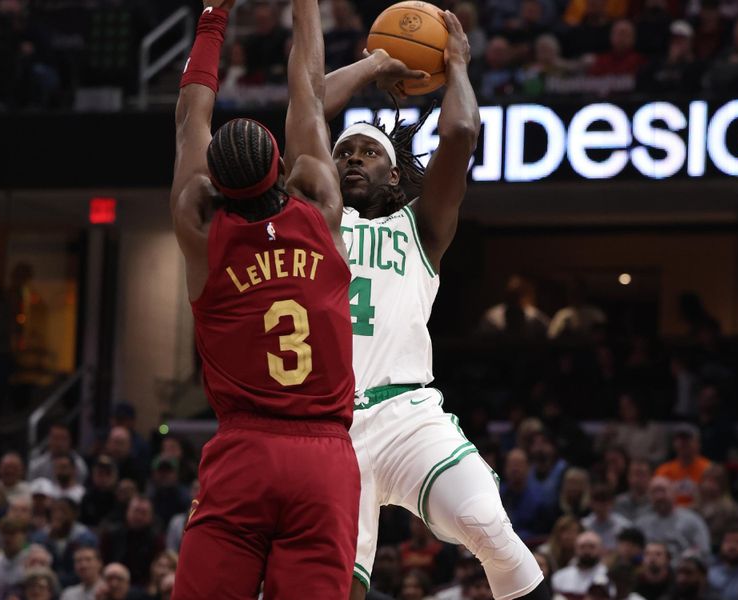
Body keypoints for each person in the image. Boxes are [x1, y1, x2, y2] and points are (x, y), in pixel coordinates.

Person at [328, 9, 547, 599]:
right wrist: (375, 62)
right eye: (342, 151)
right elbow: (305, 107)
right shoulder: (315, 219)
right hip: (326, 429)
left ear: (396, 177)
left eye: (367, 153)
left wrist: (456, 67)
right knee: (337, 589)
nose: (351, 158)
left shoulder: (422, 228)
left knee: (489, 527)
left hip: (407, 414)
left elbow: (460, 134)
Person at [169, 0, 360, 597]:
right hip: (325, 458)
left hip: (244, 449)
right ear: (282, 166)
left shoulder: (202, 231)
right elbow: (306, 84)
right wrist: (305, 6)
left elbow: (188, 118)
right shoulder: (321, 205)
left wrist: (212, 17)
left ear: (215, 185)